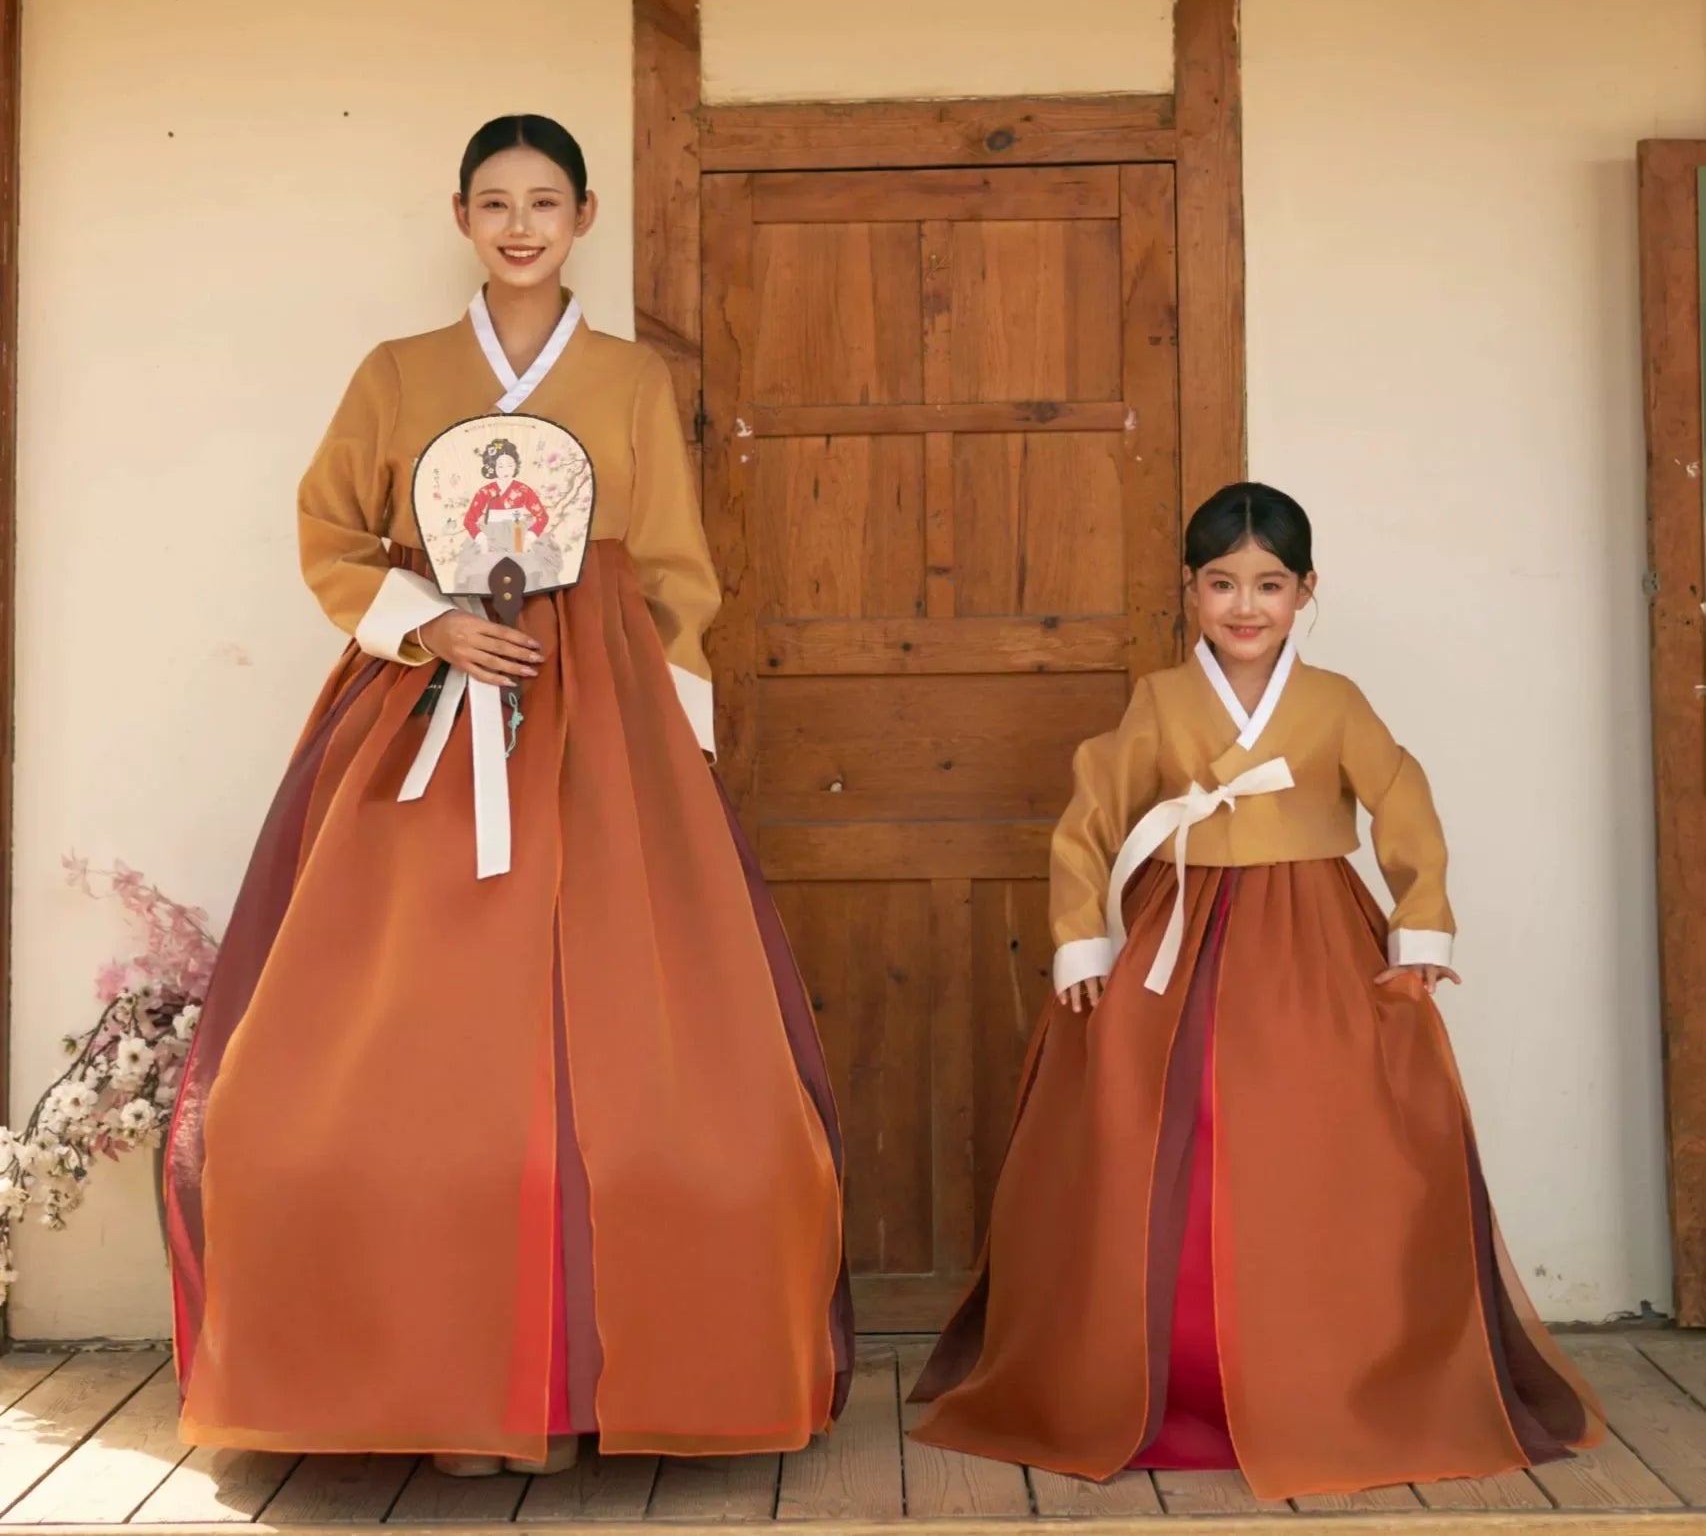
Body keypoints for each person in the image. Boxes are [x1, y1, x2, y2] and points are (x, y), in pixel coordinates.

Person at [165, 113, 851, 1474]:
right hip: (427, 706)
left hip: (600, 712)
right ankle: (445, 1379)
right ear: (462, 216)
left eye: (545, 201)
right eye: (495, 201)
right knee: (405, 1047)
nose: (520, 224)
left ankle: (576, 1382)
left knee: (628, 1047)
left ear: (584, 215)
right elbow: (332, 532)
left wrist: (657, 727)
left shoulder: (630, 378)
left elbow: (673, 565)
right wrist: (427, 624)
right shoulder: (397, 372)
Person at [910, 481, 1602, 1500]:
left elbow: (1401, 798)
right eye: (1222, 583)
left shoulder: (1335, 703)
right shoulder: (1160, 699)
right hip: (1176, 931)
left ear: (1306, 589)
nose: (1245, 605)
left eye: (1269, 584)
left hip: (1311, 937)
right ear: (1189, 589)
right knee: (1145, 1124)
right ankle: (1163, 1379)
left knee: (1317, 1137)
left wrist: (1417, 926)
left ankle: (1326, 1378)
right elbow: (1090, 815)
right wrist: (1081, 940)